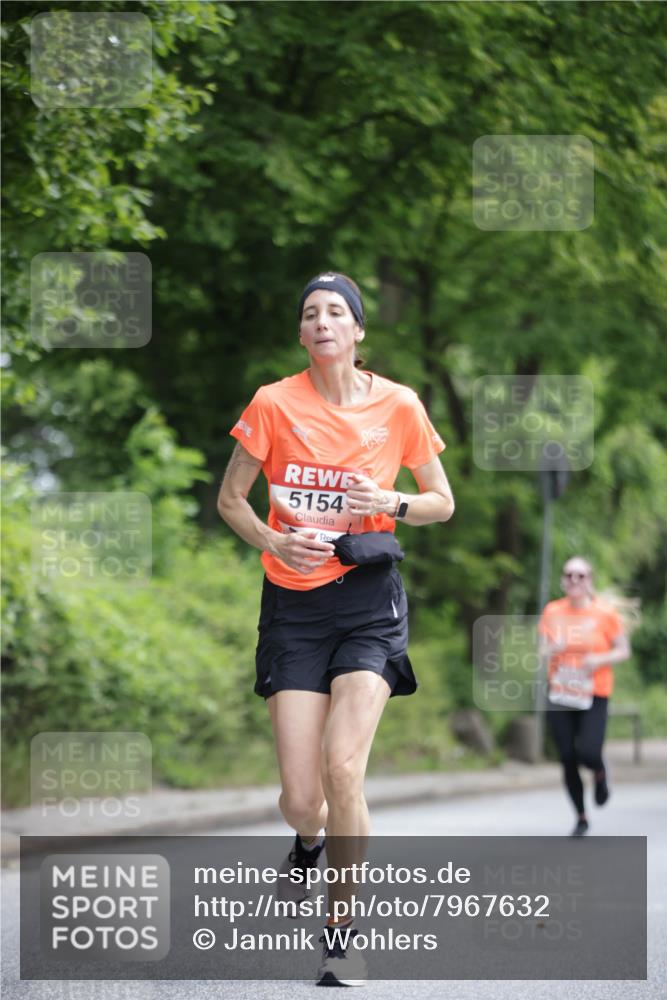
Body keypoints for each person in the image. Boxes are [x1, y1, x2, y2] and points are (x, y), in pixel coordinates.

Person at [217, 271, 454, 985]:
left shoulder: (399, 406)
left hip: (368, 603)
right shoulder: (272, 404)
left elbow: (441, 502)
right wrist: (271, 539)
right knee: (299, 797)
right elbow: (231, 499)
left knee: (342, 767)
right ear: (302, 334)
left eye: (335, 312)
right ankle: (306, 839)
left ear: (356, 332)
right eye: (310, 314)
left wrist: (390, 499)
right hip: (293, 605)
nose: (322, 322)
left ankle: (340, 929)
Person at [538, 556, 631, 837]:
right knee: (567, 756)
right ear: (563, 580)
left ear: (589, 580)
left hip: (594, 692)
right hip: (561, 692)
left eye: (580, 576)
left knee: (589, 752)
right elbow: (541, 652)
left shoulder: (605, 613)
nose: (574, 580)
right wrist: (553, 649)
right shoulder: (553, 610)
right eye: (569, 575)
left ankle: (600, 773)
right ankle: (581, 816)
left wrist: (598, 659)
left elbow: (623, 650)